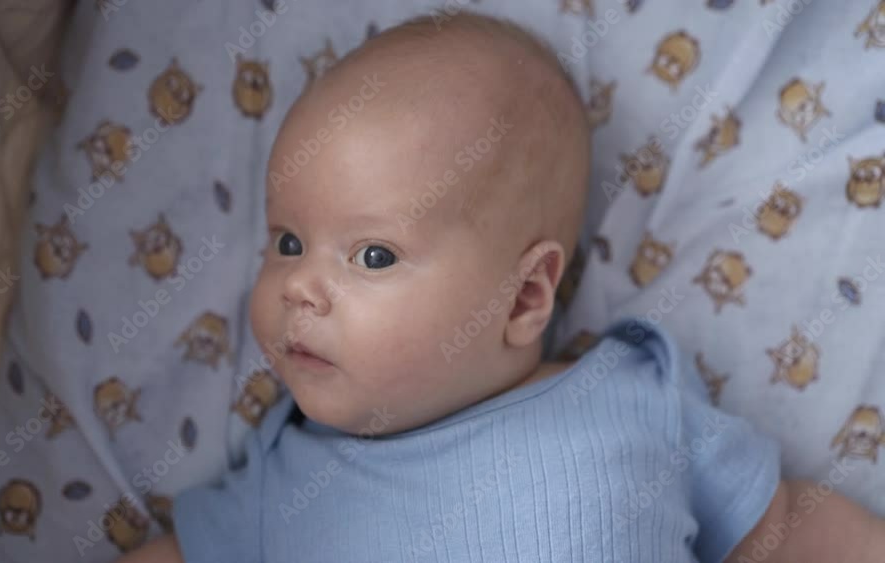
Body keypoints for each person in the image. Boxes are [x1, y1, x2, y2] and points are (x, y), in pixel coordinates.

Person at [117, 12, 885, 563]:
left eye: (374, 256)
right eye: (287, 243)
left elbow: (788, 529)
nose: (298, 288)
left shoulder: (632, 400)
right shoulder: (283, 481)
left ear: (522, 298)